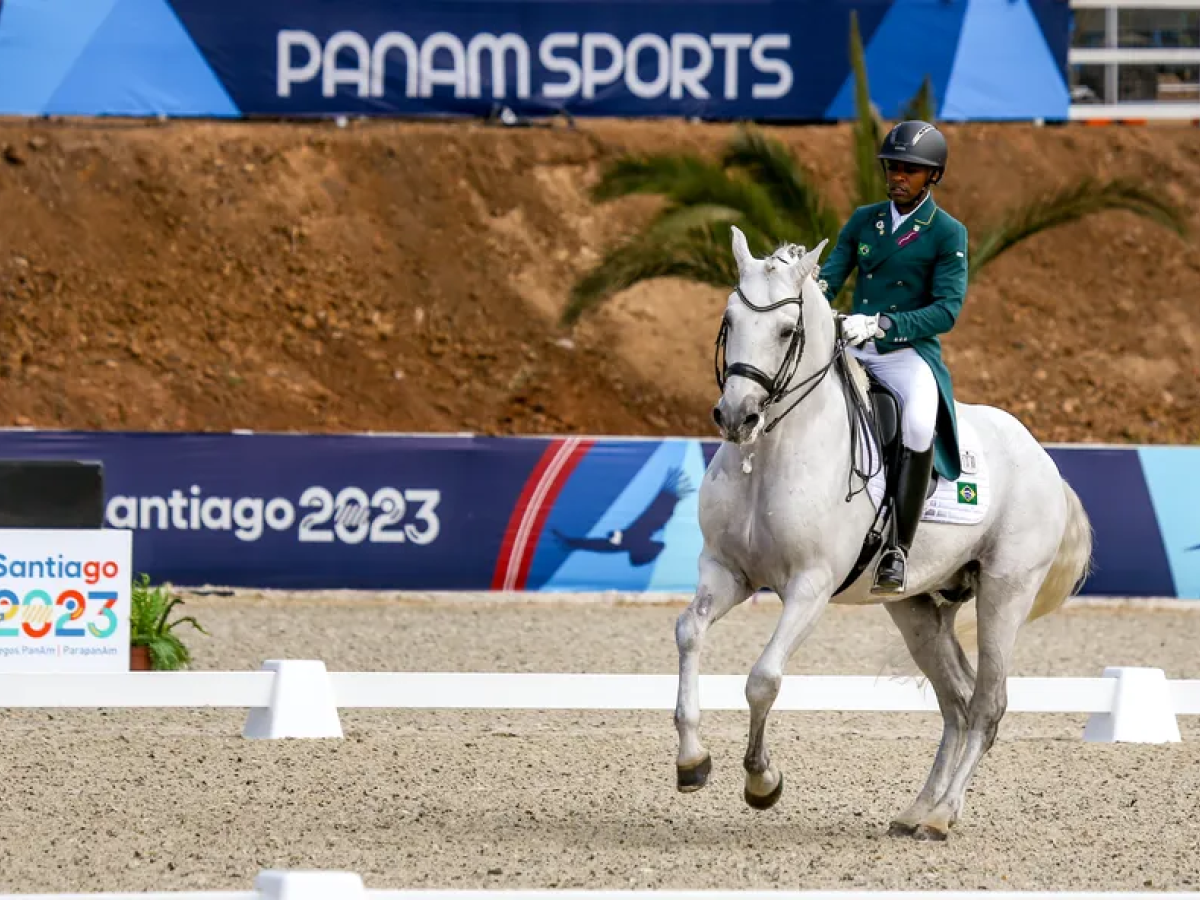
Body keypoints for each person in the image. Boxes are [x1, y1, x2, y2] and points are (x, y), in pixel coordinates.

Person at [817, 120, 969, 594]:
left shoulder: (947, 233)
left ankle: (898, 548)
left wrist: (885, 323)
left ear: (932, 177)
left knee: (920, 424)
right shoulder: (865, 220)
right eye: (893, 167)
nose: (898, 175)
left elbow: (946, 310)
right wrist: (804, 295)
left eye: (910, 169)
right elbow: (829, 277)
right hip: (851, 343)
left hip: (905, 352)